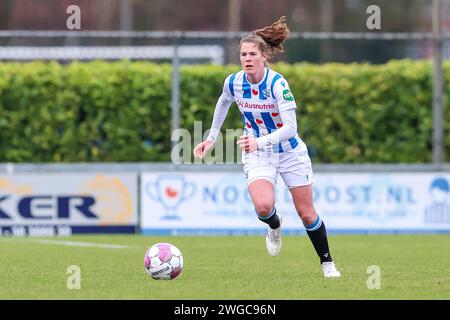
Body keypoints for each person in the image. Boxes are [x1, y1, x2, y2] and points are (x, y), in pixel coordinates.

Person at [193, 16, 340, 278]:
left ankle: (327, 263)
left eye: (252, 54)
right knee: (263, 207)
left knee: (306, 214)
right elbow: (223, 102)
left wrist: (258, 140)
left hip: (290, 151)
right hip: (258, 153)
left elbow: (291, 128)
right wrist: (211, 138)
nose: (246, 59)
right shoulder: (234, 82)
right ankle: (274, 225)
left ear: (264, 56)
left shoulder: (277, 84)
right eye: (242, 54)